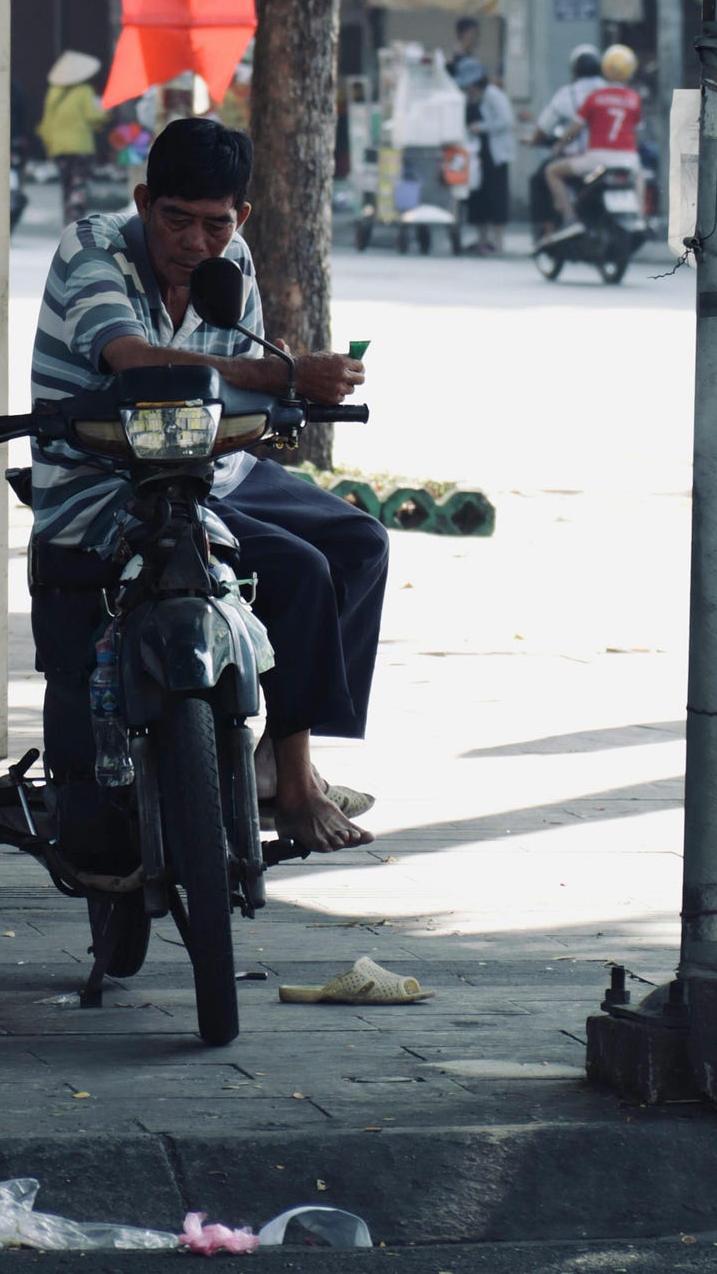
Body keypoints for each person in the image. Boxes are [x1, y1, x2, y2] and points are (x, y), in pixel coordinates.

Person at [29, 115, 388, 853]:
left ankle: (273, 755)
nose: (195, 243)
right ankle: (295, 784)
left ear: (241, 217)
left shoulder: (236, 262)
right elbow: (132, 356)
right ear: (142, 200)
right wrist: (281, 372)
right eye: (177, 220)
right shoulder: (92, 248)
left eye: (215, 224)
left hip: (214, 471)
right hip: (104, 484)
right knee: (300, 570)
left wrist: (289, 391)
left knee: (359, 542)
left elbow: (249, 393)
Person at [544, 43, 643, 229]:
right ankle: (639, 216)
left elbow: (574, 130)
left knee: (552, 171)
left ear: (605, 69)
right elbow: (635, 131)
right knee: (639, 176)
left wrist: (560, 145)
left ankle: (570, 217)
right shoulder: (634, 98)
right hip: (628, 158)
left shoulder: (595, 97)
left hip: (597, 159)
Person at [525, 46, 605, 242]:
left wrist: (556, 143)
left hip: (582, 158)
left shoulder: (569, 94)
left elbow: (551, 128)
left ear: (575, 70)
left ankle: (553, 227)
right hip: (612, 155)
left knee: (541, 177)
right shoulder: (610, 90)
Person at [37, 51, 108, 226]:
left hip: (60, 150)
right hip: (81, 148)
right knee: (79, 186)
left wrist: (50, 146)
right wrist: (106, 114)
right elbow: (93, 117)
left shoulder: (53, 92)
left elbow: (46, 123)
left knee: (67, 187)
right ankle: (78, 225)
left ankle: (67, 224)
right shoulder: (84, 91)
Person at [458, 59, 513, 254]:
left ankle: (497, 242)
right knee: (478, 196)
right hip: (478, 154)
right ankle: (482, 238)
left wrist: (481, 128)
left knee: (496, 196)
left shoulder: (494, 96)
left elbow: (506, 121)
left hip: (496, 153)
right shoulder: (473, 98)